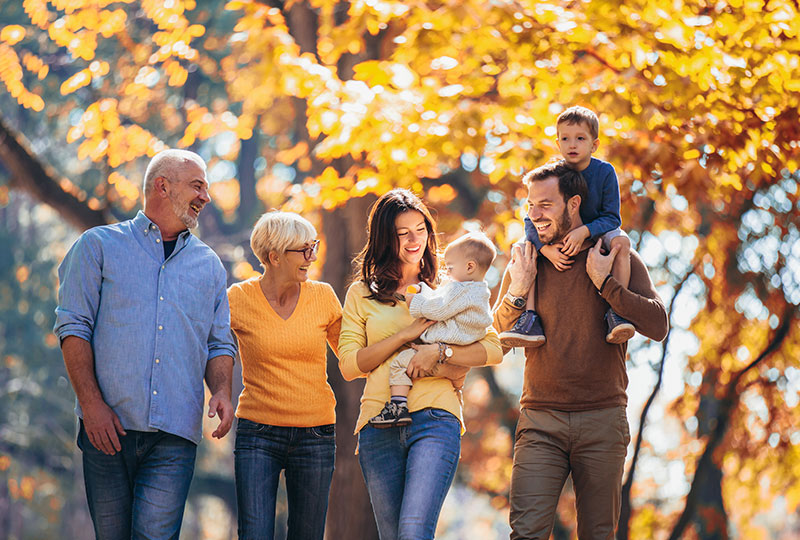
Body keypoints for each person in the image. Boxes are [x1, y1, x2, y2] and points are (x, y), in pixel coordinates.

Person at [53, 149, 236, 539]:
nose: (206, 196)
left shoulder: (209, 266)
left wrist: (220, 389)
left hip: (174, 436)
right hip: (106, 429)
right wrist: (91, 405)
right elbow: (73, 327)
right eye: (198, 186)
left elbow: (219, 342)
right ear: (162, 185)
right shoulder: (97, 246)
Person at [493, 161, 669, 539]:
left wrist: (606, 284)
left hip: (603, 418)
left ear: (573, 204)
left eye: (545, 205)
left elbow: (658, 325)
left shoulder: (614, 256)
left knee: (598, 534)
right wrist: (518, 290)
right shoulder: (526, 261)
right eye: (530, 206)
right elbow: (497, 337)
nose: (534, 215)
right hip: (540, 420)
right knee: (526, 533)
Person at [338, 189, 503, 540]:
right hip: (377, 424)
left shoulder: (450, 286)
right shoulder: (361, 294)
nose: (415, 240)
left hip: (435, 418)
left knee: (413, 533)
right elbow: (350, 366)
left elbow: (491, 348)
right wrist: (403, 336)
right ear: (385, 239)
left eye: (421, 229)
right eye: (403, 234)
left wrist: (439, 352)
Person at [228, 211, 342, 540]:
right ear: (274, 256)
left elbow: (353, 356)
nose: (312, 256)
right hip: (258, 433)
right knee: (254, 533)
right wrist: (218, 394)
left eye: (313, 247)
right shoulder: (238, 299)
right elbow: (212, 348)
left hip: (315, 435)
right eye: (303, 250)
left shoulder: (323, 296)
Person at [500, 106, 634, 348]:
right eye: (565, 139)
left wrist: (585, 231)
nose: (572, 145)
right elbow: (532, 217)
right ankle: (529, 318)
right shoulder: (556, 173)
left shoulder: (604, 172)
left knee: (622, 243)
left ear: (594, 145)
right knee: (524, 250)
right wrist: (543, 248)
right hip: (555, 236)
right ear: (558, 142)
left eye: (580, 139)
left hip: (598, 232)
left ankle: (617, 311)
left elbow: (613, 217)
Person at [369, 231, 496, 428]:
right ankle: (457, 396)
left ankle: (398, 407)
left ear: (470, 266)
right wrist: (424, 290)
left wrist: (415, 301)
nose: (447, 272)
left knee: (399, 364)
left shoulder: (459, 289)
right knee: (455, 380)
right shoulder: (479, 290)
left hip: (447, 341)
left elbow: (438, 308)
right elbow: (442, 298)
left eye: (451, 267)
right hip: (461, 352)